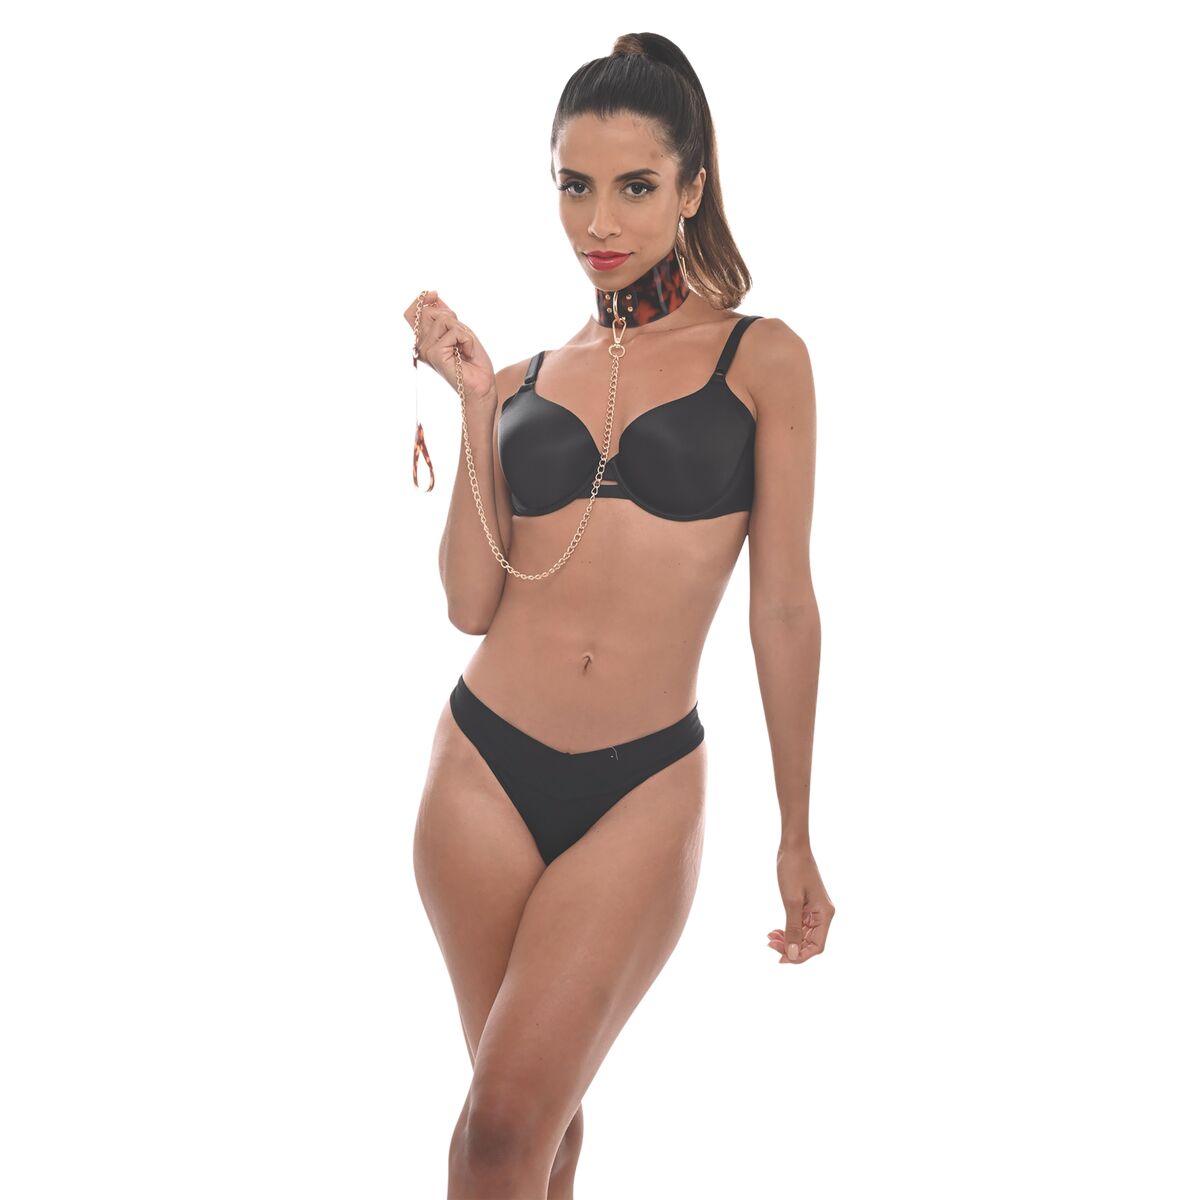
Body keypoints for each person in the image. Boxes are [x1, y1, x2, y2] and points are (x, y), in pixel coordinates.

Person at [407, 31, 833, 1200]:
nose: (599, 220)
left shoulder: (763, 360)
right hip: (480, 770)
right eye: (575, 185)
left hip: (640, 788)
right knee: (536, 1137)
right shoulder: (523, 381)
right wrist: (474, 405)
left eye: (635, 186)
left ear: (692, 188)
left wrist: (795, 831)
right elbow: (468, 603)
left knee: (498, 1134)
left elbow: (784, 606)